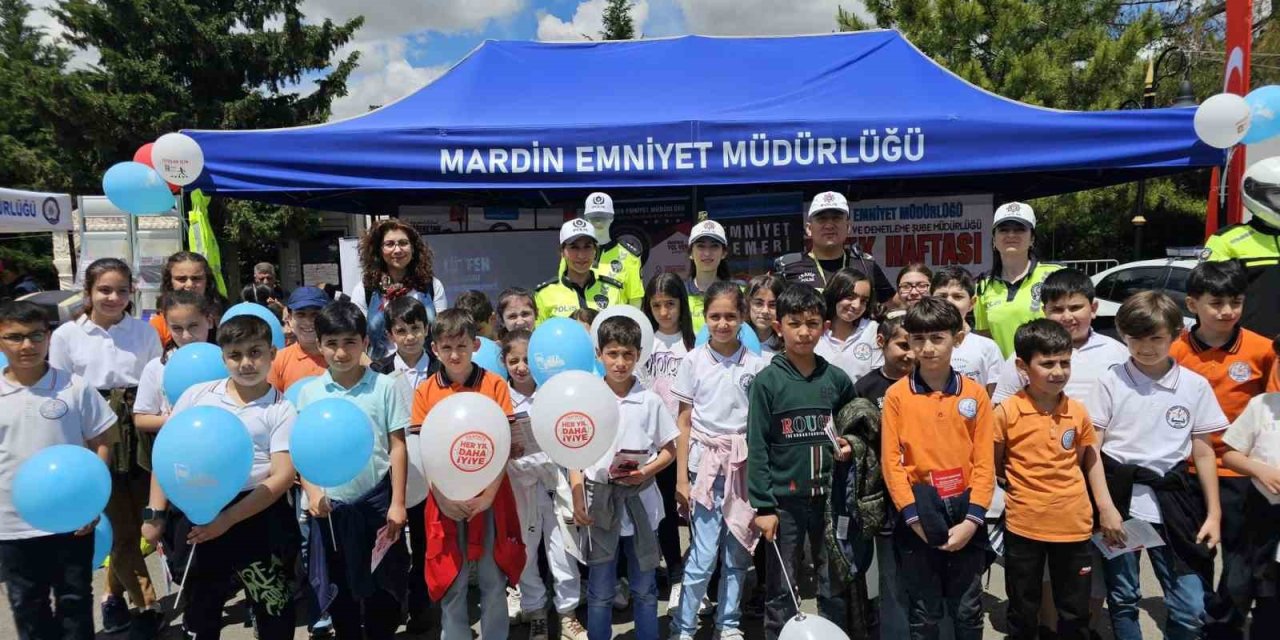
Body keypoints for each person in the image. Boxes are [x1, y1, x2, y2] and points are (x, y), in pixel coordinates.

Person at [141, 315, 300, 640]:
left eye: (255, 352)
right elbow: (168, 454)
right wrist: (154, 514)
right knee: (201, 608)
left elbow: (282, 476)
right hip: (198, 509)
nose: (246, 363)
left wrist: (227, 520)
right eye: (235, 355)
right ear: (223, 358)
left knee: (273, 607)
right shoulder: (197, 395)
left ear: (272, 353)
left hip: (257, 513)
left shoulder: (282, 409)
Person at [1085, 291, 1227, 640]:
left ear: (1176, 334)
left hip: (1174, 502)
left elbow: (1203, 452)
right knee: (1123, 596)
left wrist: (1213, 514)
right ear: (1123, 335)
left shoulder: (1194, 386)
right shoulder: (1110, 381)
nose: (1145, 347)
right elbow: (1092, 449)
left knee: (1190, 604)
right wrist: (1105, 507)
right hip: (1121, 500)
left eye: (1156, 338)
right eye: (1135, 338)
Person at [49, 258, 164, 638]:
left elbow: (155, 380)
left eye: (122, 290)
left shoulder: (144, 331)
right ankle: (146, 603)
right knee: (117, 522)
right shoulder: (66, 335)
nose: (114, 297)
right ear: (88, 292)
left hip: (140, 426)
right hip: (94, 430)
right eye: (104, 290)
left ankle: (112, 596)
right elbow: (61, 391)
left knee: (141, 516)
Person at [1168, 260, 1275, 640]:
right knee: (1194, 556)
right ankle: (1192, 621)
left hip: (1240, 473)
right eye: (1216, 303)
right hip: (1186, 471)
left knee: (1239, 563)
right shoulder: (1173, 350)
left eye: (1236, 302)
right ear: (1192, 304)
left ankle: (1225, 628)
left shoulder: (1262, 350)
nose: (1227, 311)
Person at [996, 319, 1119, 640]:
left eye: (1065, 362)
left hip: (1073, 524)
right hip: (1023, 525)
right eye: (1047, 363)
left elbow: (1087, 461)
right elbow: (997, 463)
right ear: (1023, 366)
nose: (1058, 371)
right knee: (1023, 608)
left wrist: (1105, 507)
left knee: (1075, 610)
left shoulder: (1078, 411)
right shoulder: (1006, 412)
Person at [747, 283, 856, 640]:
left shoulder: (836, 379)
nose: (804, 332)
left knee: (833, 580)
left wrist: (850, 445)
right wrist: (764, 506)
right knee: (782, 585)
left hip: (829, 499)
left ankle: (835, 633)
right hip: (784, 503)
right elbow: (757, 445)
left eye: (812, 323)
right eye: (794, 323)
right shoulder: (767, 381)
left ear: (825, 326)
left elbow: (855, 426)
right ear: (778, 327)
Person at [0, 300, 115, 640]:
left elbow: (103, 442)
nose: (27, 345)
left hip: (72, 520)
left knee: (75, 601)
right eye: (15, 337)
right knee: (26, 604)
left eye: (36, 335)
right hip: (12, 523)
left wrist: (91, 501)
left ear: (48, 337)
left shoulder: (74, 387)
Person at [881, 296, 994, 640]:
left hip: (965, 507)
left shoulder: (974, 394)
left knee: (968, 609)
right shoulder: (897, 396)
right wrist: (913, 518)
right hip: (919, 508)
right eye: (918, 339)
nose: (927, 348)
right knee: (924, 611)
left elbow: (985, 463)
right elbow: (891, 462)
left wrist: (972, 521)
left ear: (957, 339)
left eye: (937, 338)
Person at [297, 301, 411, 640]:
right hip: (332, 509)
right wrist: (313, 493)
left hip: (377, 503)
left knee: (383, 587)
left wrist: (398, 503)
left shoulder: (384, 387)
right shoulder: (310, 393)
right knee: (341, 589)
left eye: (350, 342)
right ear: (319, 345)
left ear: (365, 342)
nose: (341, 352)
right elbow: (305, 451)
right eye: (331, 343)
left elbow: (397, 446)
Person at [414, 309, 524, 640]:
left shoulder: (494, 384)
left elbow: (503, 445)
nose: (454, 355)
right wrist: (443, 498)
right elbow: (425, 453)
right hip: (445, 499)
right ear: (434, 349)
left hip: (491, 497)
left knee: (493, 577)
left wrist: (488, 495)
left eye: (461, 346)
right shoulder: (425, 391)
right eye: (446, 348)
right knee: (453, 578)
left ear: (475, 345)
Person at [571, 315, 678, 640]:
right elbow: (574, 454)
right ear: (599, 354)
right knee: (600, 590)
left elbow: (669, 450)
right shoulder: (588, 400)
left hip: (641, 502)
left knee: (645, 587)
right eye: (612, 354)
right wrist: (578, 496)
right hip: (600, 504)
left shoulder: (650, 400)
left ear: (638, 355)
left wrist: (645, 471)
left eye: (628, 355)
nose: (620, 363)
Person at [670, 281, 766, 640]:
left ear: (742, 317)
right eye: (715, 316)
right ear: (704, 318)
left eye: (730, 316)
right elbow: (683, 422)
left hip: (742, 468)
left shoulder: (757, 365)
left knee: (737, 553)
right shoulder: (692, 361)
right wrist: (682, 479)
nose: (722, 323)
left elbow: (760, 425)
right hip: (704, 468)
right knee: (703, 553)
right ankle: (684, 626)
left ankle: (728, 624)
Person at [502, 329, 588, 640]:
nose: (521, 367)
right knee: (526, 550)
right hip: (518, 482)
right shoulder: (499, 396)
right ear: (504, 362)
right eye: (513, 360)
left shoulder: (553, 392)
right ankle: (535, 610)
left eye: (527, 359)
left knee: (563, 548)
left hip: (554, 480)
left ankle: (567, 613)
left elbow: (571, 436)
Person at [367, 295, 435, 633]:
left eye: (416, 329)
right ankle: (393, 604)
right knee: (391, 543)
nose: (410, 337)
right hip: (391, 471)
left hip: (433, 472)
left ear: (427, 329)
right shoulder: (377, 372)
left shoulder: (441, 368)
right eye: (401, 331)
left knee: (426, 542)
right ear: (390, 335)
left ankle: (421, 606)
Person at [852, 314, 914, 639]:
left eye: (915, 345)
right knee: (890, 577)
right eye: (903, 345)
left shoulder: (926, 382)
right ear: (881, 342)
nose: (910, 353)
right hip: (883, 498)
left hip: (923, 494)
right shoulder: (865, 388)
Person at [991, 269, 1130, 405]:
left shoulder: (1118, 352)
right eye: (1057, 310)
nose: (1067, 317)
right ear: (1045, 311)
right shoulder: (1028, 352)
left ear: (1093, 309)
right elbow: (1001, 405)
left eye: (1075, 308)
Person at [1219, 367, 1280, 639]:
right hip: (1262, 512)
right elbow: (1230, 455)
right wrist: (1259, 470)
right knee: (1254, 587)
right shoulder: (1263, 405)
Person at [1201, 157, 1280, 338]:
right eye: (1278, 194)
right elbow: (1207, 298)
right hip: (1250, 345)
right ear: (1256, 194)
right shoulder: (1227, 240)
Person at [974, 202, 1062, 358]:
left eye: (1019, 229)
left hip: (1049, 368)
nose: (1011, 235)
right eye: (1003, 229)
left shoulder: (1054, 275)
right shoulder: (983, 285)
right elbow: (985, 338)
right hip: (1004, 372)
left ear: (1032, 238)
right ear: (994, 239)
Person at [351, 220, 448, 358]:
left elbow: (442, 333)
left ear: (413, 248)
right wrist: (371, 365)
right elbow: (356, 337)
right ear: (379, 250)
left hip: (426, 367)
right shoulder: (366, 289)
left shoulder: (430, 286)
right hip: (381, 368)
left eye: (403, 243)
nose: (397, 250)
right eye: (389, 244)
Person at [774, 191, 894, 302]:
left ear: (848, 227)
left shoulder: (865, 264)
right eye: (822, 219)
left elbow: (892, 304)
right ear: (809, 229)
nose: (829, 226)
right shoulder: (788, 266)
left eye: (836, 218)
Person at [133, 291, 215, 435]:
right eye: (177, 328)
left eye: (193, 326)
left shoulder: (227, 362)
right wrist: (179, 418)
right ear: (167, 326)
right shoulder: (157, 367)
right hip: (177, 441)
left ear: (209, 321)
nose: (186, 336)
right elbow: (140, 419)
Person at [557, 192, 646, 306]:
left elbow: (635, 298)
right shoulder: (571, 253)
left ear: (612, 218)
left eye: (603, 217)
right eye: (594, 217)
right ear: (586, 218)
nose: (598, 221)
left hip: (614, 316)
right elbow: (562, 289)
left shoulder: (629, 255)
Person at [536, 219, 626, 324]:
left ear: (595, 251)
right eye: (574, 247)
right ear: (562, 252)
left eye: (587, 247)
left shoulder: (613, 290)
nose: (581, 255)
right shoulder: (544, 294)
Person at [931, 266, 1003, 394]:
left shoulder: (988, 347)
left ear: (972, 303)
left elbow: (996, 398)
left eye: (957, 296)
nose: (949, 302)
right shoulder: (920, 344)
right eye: (942, 296)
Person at [815, 268, 880, 383]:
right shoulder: (814, 328)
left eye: (864, 301)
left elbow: (877, 379)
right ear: (834, 294)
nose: (856, 305)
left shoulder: (873, 330)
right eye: (850, 297)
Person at [150, 252, 227, 348]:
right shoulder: (159, 325)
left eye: (196, 278)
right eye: (181, 279)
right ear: (169, 282)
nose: (189, 285)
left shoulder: (225, 316)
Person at [268, 287, 329, 393]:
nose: (308, 321)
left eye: (315, 314)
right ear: (289, 319)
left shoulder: (345, 355)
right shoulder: (278, 361)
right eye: (301, 314)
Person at [684, 220, 735, 333]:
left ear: (724, 253)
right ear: (690, 253)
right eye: (701, 246)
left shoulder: (739, 291)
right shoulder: (679, 294)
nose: (707, 253)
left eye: (714, 246)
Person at [747, 274, 784, 358]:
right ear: (748, 304)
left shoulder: (787, 345)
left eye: (772, 305)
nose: (765, 311)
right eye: (758, 303)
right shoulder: (735, 340)